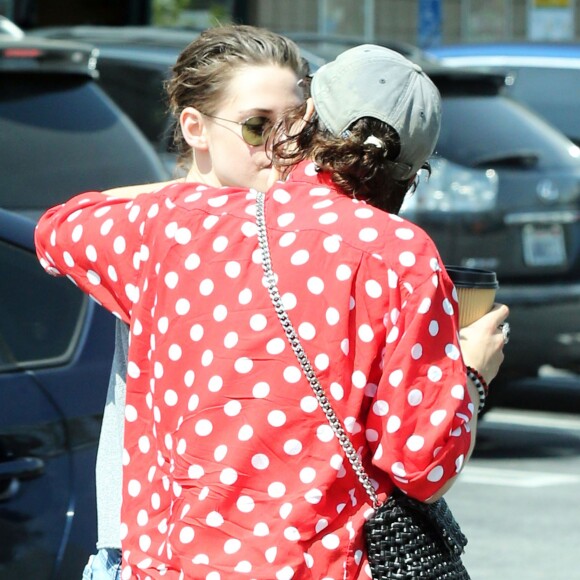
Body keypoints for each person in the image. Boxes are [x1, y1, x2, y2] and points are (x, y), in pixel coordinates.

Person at [36, 44, 508, 579]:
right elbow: (423, 464)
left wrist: (189, 193)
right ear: (412, 171)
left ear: (307, 119)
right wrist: (471, 374)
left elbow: (59, 228)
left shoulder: (176, 224)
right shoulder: (403, 256)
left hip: (168, 564)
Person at [72, 23, 308, 579]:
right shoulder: (155, 231)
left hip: (276, 548)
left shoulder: (307, 233)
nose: (281, 146)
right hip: (148, 550)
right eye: (258, 126)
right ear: (195, 128)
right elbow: (63, 224)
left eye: (297, 125)